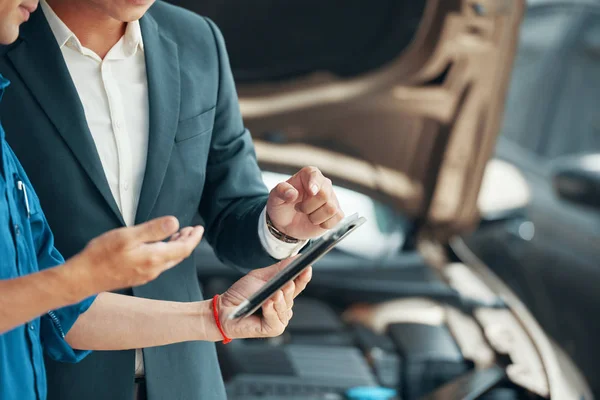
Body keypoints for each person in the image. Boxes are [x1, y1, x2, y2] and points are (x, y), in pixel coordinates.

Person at [0, 0, 344, 399]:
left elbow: (230, 202)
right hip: (46, 376)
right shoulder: (8, 29)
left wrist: (278, 227)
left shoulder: (196, 39)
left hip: (186, 374)